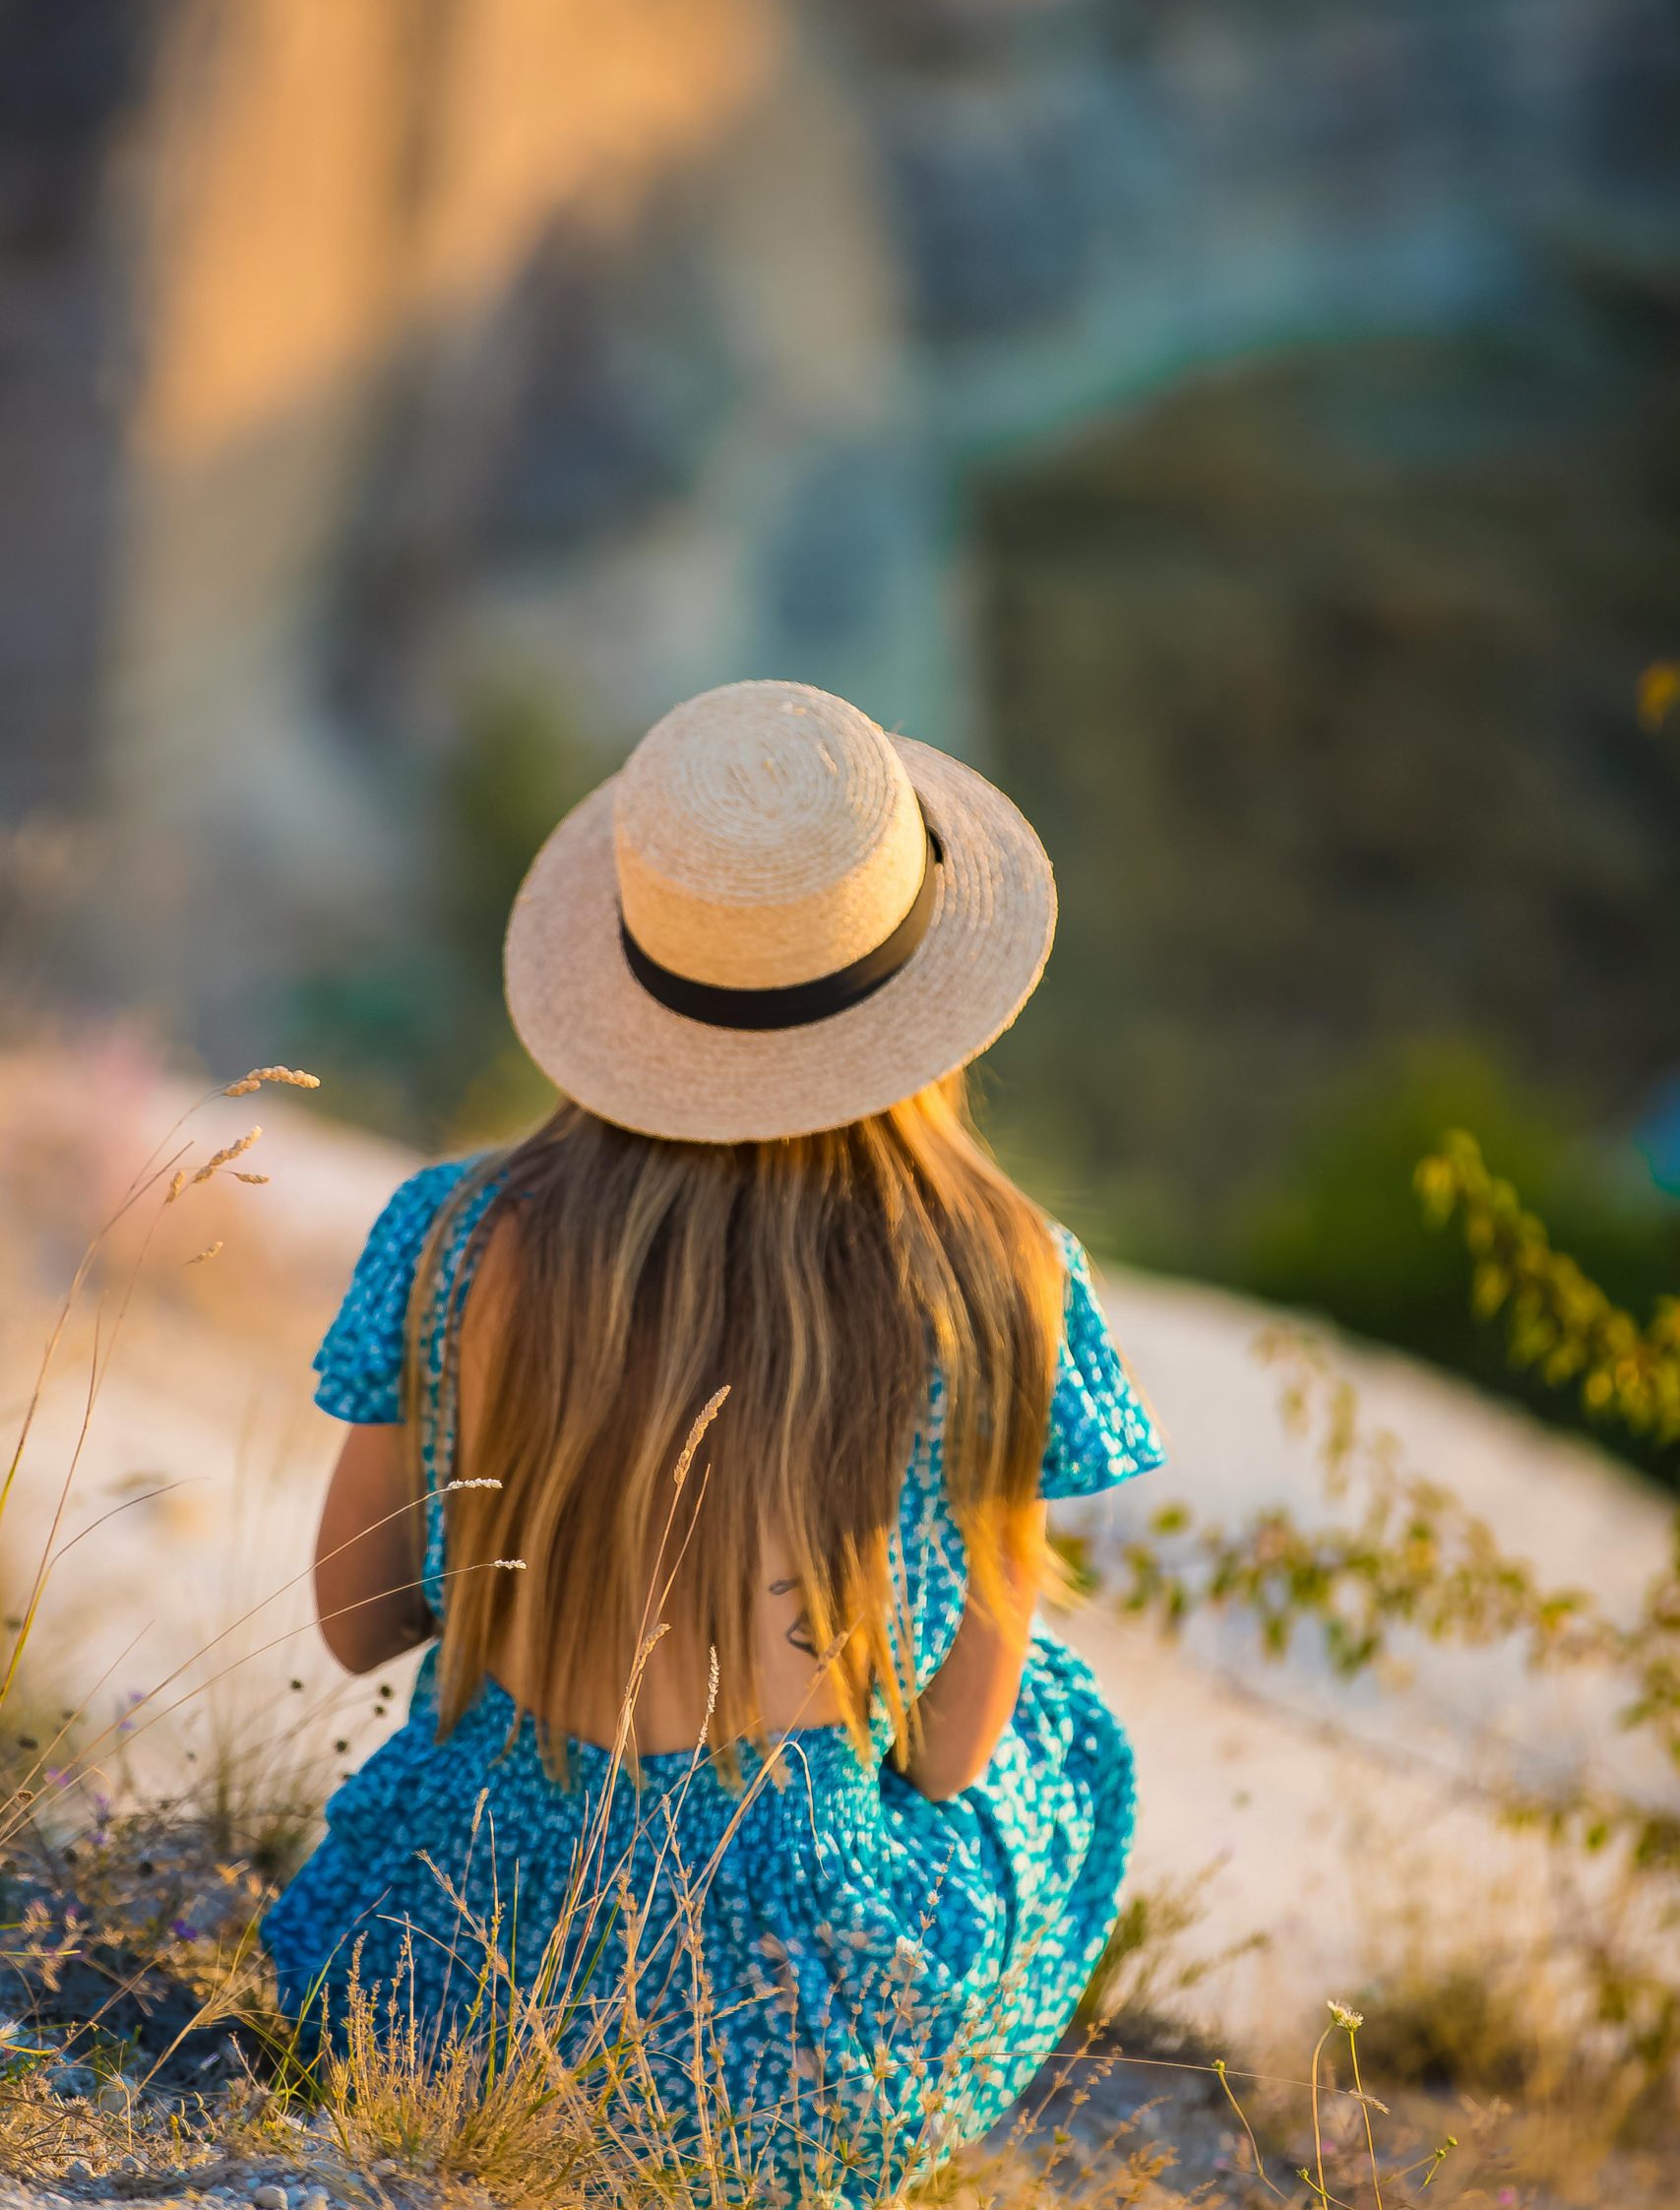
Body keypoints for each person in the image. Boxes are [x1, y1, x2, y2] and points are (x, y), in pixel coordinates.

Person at [263, 678, 1164, 2199]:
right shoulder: (1004, 1274)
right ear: (924, 993)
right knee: (1060, 1723)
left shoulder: (451, 1235)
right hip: (798, 2069)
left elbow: (353, 1625)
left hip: (425, 1992)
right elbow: (951, 1756)